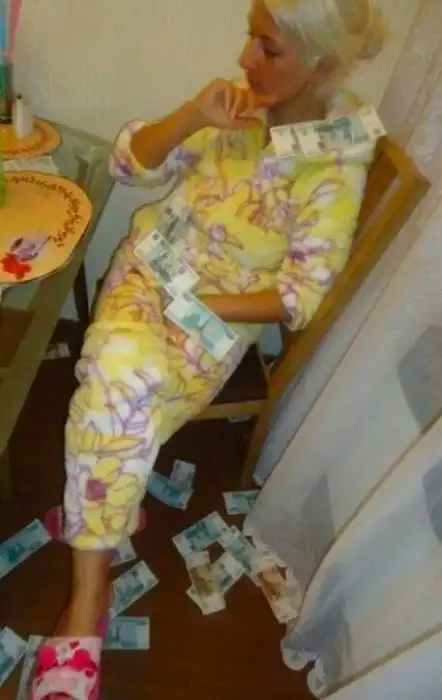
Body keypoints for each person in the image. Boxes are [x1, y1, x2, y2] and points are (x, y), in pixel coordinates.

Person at [31, 0, 386, 697]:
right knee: (120, 382)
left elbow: (298, 298)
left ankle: (94, 539)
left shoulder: (335, 163)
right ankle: (93, 579)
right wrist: (194, 115)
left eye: (268, 48)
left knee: (114, 394)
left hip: (209, 322)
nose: (246, 59)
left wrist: (197, 305)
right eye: (252, 37)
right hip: (143, 275)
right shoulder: (241, 107)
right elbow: (129, 165)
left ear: (323, 63)